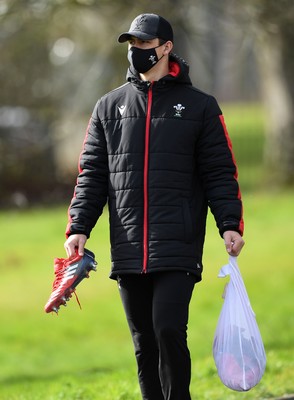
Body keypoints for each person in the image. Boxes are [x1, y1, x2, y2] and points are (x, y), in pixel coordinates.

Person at [64, 13, 245, 400]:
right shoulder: (108, 107)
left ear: (166, 48)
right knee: (144, 342)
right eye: (132, 45)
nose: (136, 51)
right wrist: (79, 226)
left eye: (144, 44)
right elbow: (92, 174)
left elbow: (219, 170)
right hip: (128, 245)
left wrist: (230, 223)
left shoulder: (200, 106)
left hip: (177, 241)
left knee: (167, 329)